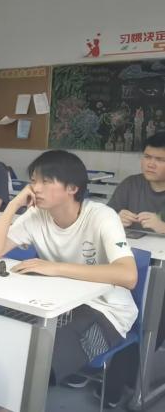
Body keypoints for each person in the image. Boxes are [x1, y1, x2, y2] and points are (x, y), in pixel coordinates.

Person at [0, 150, 138, 405]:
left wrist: (57, 267)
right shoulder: (36, 215)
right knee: (0, 330)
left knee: (39, 359)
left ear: (72, 188)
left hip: (107, 312)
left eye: (46, 181)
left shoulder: (101, 216)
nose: (36, 188)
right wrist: (13, 205)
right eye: (34, 181)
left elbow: (128, 275)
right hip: (56, 304)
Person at [104, 132, 165, 406]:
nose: (150, 163)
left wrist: (163, 226)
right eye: (147, 157)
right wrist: (115, 218)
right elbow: (104, 218)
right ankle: (112, 375)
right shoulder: (131, 184)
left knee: (151, 315)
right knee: (115, 306)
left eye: (159, 159)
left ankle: (126, 380)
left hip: (160, 273)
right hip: (131, 266)